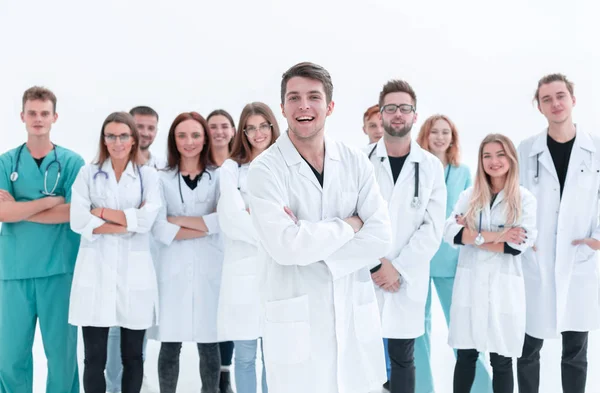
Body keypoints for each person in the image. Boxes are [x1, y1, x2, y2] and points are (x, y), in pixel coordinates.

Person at [246, 61, 392, 393]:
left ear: (330, 106)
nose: (304, 106)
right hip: (297, 324)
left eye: (314, 96)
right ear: (282, 107)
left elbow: (381, 236)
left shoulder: (355, 161)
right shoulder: (265, 170)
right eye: (294, 98)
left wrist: (312, 243)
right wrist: (350, 224)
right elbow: (286, 247)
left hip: (355, 320)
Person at [517, 73, 600, 393]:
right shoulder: (526, 150)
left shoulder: (595, 148)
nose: (555, 103)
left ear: (573, 100)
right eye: (547, 99)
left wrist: (597, 239)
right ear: (539, 106)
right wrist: (525, 237)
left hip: (579, 257)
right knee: (527, 349)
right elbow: (514, 198)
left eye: (560, 96)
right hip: (536, 260)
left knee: (576, 352)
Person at [69, 112, 161, 393]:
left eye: (123, 135)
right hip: (96, 275)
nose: (117, 141)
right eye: (111, 135)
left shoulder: (148, 175)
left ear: (133, 140)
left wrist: (104, 215)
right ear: (104, 139)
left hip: (135, 278)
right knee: (93, 359)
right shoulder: (88, 172)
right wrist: (128, 222)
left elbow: (148, 221)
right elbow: (79, 221)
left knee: (133, 357)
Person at [0, 86, 84, 393]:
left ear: (55, 117)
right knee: (10, 358)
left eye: (44, 113)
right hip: (14, 271)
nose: (38, 119)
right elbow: (1, 213)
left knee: (62, 357)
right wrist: (48, 202)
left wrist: (19, 209)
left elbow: (74, 213)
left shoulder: (72, 163)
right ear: (22, 116)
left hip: (59, 270)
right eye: (32, 113)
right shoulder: (6, 162)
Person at [368, 80, 446, 393]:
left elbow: (432, 228)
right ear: (381, 114)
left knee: (403, 359)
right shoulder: (361, 162)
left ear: (414, 115)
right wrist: (376, 266)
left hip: (405, 278)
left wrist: (396, 267)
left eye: (404, 108)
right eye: (390, 108)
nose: (397, 114)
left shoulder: (430, 166)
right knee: (365, 360)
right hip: (368, 276)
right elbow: (352, 222)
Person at [444, 133, 537, 393]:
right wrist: (497, 235)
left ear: (511, 159)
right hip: (470, 285)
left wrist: (473, 236)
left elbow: (516, 246)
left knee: (502, 359)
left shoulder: (524, 198)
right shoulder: (470, 195)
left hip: (503, 288)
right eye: (487, 156)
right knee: (465, 356)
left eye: (499, 155)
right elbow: (450, 232)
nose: (493, 161)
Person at [414, 115, 492, 393]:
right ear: (425, 135)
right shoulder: (416, 168)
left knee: (463, 329)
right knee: (417, 332)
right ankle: (422, 389)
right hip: (418, 258)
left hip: (452, 260)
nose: (440, 137)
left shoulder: (462, 171)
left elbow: (469, 213)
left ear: (453, 138)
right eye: (434, 131)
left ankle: (483, 388)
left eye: (445, 132)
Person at [149, 112, 224, 393]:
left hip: (209, 268)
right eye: (182, 135)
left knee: (209, 342)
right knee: (170, 343)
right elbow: (157, 226)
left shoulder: (219, 176)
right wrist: (205, 226)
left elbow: (222, 221)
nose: (189, 141)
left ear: (205, 138)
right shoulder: (161, 178)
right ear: (173, 140)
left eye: (195, 135)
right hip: (173, 269)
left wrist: (176, 220)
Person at [217, 102, 281, 393]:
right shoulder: (231, 169)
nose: (258, 133)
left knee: (275, 356)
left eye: (263, 126)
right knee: (244, 356)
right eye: (251, 127)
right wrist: (274, 226)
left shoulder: (287, 164)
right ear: (242, 132)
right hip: (243, 269)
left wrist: (253, 214)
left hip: (280, 269)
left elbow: (297, 214)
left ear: (272, 127)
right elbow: (232, 218)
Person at [105, 105, 162, 393]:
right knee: (113, 337)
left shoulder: (158, 169)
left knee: (137, 341)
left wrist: (114, 215)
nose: (145, 133)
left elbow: (151, 219)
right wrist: (133, 218)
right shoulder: (103, 170)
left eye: (151, 127)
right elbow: (88, 217)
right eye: (139, 127)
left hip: (148, 263)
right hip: (113, 261)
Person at [206, 108, 236, 393]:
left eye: (224, 126)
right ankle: (217, 378)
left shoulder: (239, 164)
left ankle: (225, 374)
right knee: (214, 316)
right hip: (207, 252)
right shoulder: (199, 167)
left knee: (232, 315)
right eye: (212, 126)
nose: (218, 132)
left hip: (237, 249)